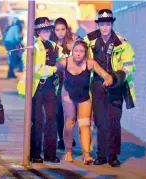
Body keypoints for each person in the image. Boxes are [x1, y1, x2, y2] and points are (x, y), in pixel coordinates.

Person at [84, 9, 135, 167]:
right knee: (100, 121)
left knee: (114, 120)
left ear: (112, 24)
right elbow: (81, 57)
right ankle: (101, 155)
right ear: (98, 24)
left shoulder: (122, 42)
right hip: (98, 84)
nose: (105, 27)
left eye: (107, 24)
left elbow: (129, 65)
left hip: (116, 85)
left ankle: (113, 156)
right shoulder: (89, 39)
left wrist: (115, 77)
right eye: (102, 24)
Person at [55, 40, 113, 164]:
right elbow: (51, 70)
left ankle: (86, 155)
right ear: (72, 51)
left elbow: (105, 75)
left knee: (84, 124)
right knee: (70, 120)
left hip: (84, 96)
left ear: (85, 53)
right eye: (76, 51)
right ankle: (68, 151)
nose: (78, 54)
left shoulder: (90, 63)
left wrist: (108, 78)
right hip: (68, 95)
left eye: (81, 51)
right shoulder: (64, 62)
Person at [17, 17, 65, 163]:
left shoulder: (54, 46)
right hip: (37, 87)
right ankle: (35, 153)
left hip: (50, 86)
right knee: (37, 121)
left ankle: (50, 153)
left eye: (48, 29)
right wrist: (55, 68)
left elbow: (65, 58)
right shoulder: (32, 46)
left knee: (52, 120)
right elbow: (37, 70)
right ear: (37, 32)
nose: (47, 32)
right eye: (43, 30)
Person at [51, 17, 78, 150]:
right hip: (56, 81)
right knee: (58, 111)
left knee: (70, 112)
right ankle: (62, 138)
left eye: (62, 29)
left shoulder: (73, 41)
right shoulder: (52, 43)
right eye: (57, 30)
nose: (60, 32)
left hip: (72, 81)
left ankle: (68, 136)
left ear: (66, 29)